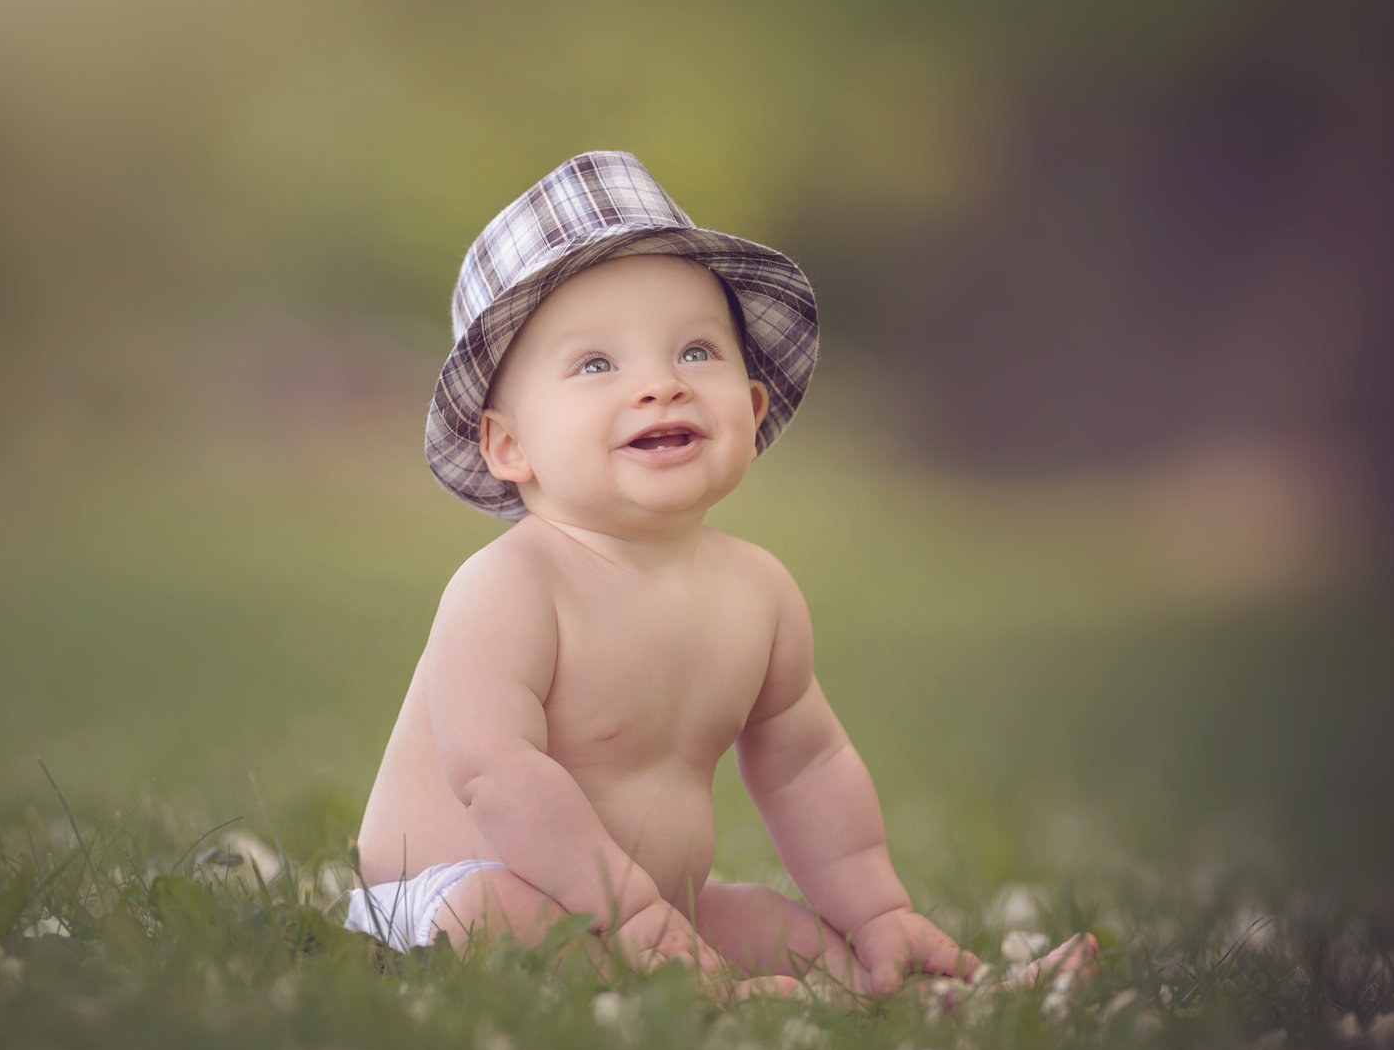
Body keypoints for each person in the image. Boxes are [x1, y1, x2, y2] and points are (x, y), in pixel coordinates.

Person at [347, 152, 1096, 998]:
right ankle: (726, 1000)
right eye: (597, 365)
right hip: (449, 893)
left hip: (661, 904)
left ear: (751, 405)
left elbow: (806, 764)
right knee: (489, 913)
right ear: (507, 445)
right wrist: (624, 910)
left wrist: (876, 907)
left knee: (772, 927)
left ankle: (905, 981)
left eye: (697, 352)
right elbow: (495, 773)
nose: (661, 386)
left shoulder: (757, 592)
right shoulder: (510, 587)